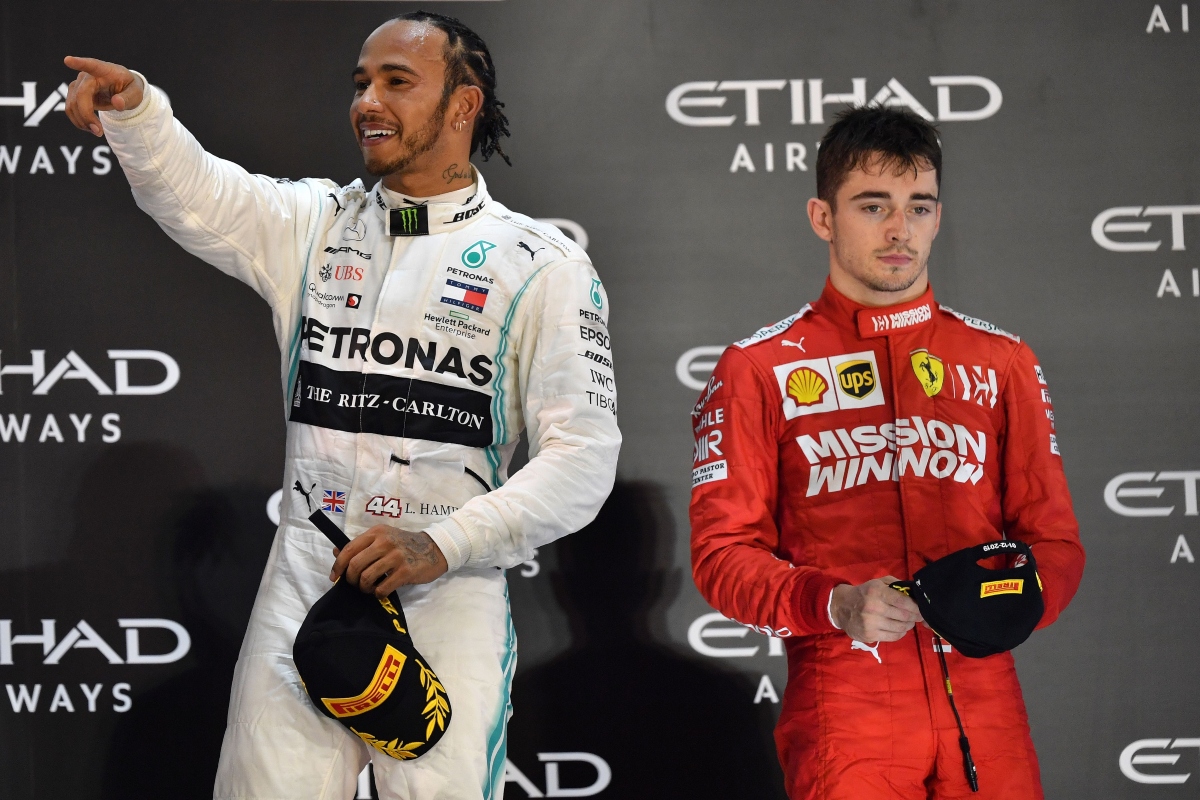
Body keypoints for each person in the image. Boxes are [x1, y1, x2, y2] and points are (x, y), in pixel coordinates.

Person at [64, 11, 620, 800]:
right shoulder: (314, 224)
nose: (368, 101)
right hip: (305, 577)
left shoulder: (541, 264)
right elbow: (198, 195)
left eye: (398, 82)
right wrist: (137, 111)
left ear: (464, 105)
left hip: (445, 596)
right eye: (361, 83)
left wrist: (442, 543)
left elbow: (583, 457)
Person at [689, 107, 1084, 800]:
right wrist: (834, 604)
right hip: (845, 699)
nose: (900, 230)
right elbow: (723, 558)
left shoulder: (1002, 360)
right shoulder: (756, 368)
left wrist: (997, 603)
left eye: (919, 207)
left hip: (985, 697)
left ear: (937, 216)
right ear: (822, 217)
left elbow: (1054, 543)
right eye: (873, 206)